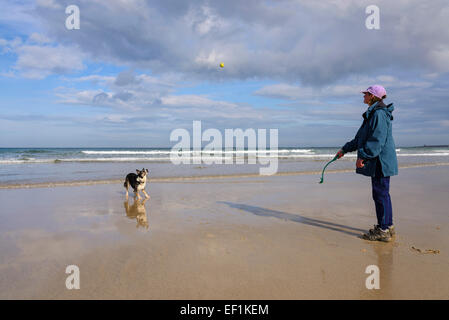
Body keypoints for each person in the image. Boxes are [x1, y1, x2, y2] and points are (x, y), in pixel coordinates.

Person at [336, 85, 398, 242]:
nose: (363, 96)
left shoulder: (379, 114)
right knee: (382, 193)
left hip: (381, 161)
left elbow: (377, 140)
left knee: (380, 194)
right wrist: (344, 149)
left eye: (366, 94)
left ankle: (383, 230)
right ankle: (387, 226)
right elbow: (360, 139)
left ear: (372, 96)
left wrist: (363, 156)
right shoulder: (373, 114)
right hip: (379, 160)